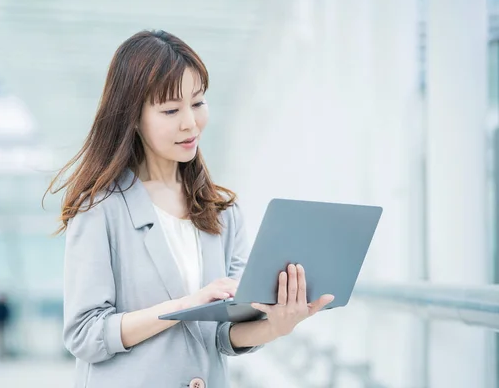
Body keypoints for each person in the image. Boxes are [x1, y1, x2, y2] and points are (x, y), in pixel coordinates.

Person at [45, 29, 334, 388]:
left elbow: (220, 334)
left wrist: (275, 326)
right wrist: (186, 305)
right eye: (170, 110)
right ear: (132, 117)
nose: (190, 123)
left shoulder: (222, 210)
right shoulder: (101, 209)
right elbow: (85, 334)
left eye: (198, 103)